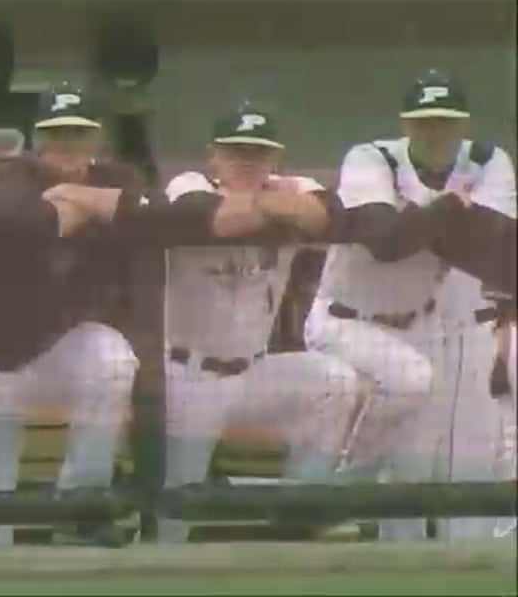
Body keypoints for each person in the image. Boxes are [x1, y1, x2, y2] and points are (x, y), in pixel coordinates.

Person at [313, 71, 515, 542]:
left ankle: (465, 568)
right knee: (410, 442)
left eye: (446, 122)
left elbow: (496, 248)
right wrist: (449, 210)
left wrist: (420, 218)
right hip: (354, 320)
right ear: (406, 124)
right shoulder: (370, 157)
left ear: (463, 124)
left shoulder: (488, 159)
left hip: (428, 322)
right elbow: (386, 241)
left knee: (461, 456)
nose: (435, 131)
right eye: (424, 121)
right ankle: (349, 489)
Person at [154, 102, 365, 544]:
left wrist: (267, 203)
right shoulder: (188, 182)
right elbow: (210, 217)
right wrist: (278, 205)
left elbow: (330, 213)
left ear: (275, 156)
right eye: (236, 152)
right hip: (190, 373)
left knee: (335, 381)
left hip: (255, 371)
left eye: (258, 152)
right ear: (213, 155)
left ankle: (298, 511)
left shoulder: (297, 187)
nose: (247, 161)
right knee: (175, 514)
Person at [0, 84, 144, 548]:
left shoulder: (118, 176)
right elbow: (12, 219)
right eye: (57, 136)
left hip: (57, 344)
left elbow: (146, 213)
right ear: (38, 140)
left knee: (112, 360)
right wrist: (82, 207)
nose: (67, 148)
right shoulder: (10, 172)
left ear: (96, 138)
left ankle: (79, 508)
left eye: (79, 134)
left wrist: (74, 197)